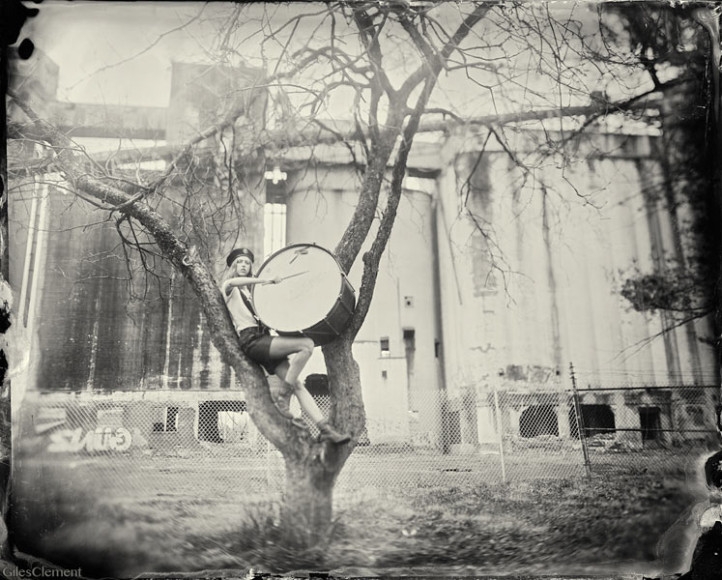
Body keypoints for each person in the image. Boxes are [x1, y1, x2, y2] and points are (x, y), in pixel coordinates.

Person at [221, 247, 350, 444]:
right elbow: (233, 282)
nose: (243, 266)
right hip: (251, 341)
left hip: (264, 340)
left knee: (298, 383)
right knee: (306, 345)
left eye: (246, 263)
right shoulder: (230, 288)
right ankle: (283, 397)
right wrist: (265, 280)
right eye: (239, 262)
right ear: (232, 266)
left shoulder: (253, 294)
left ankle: (325, 429)